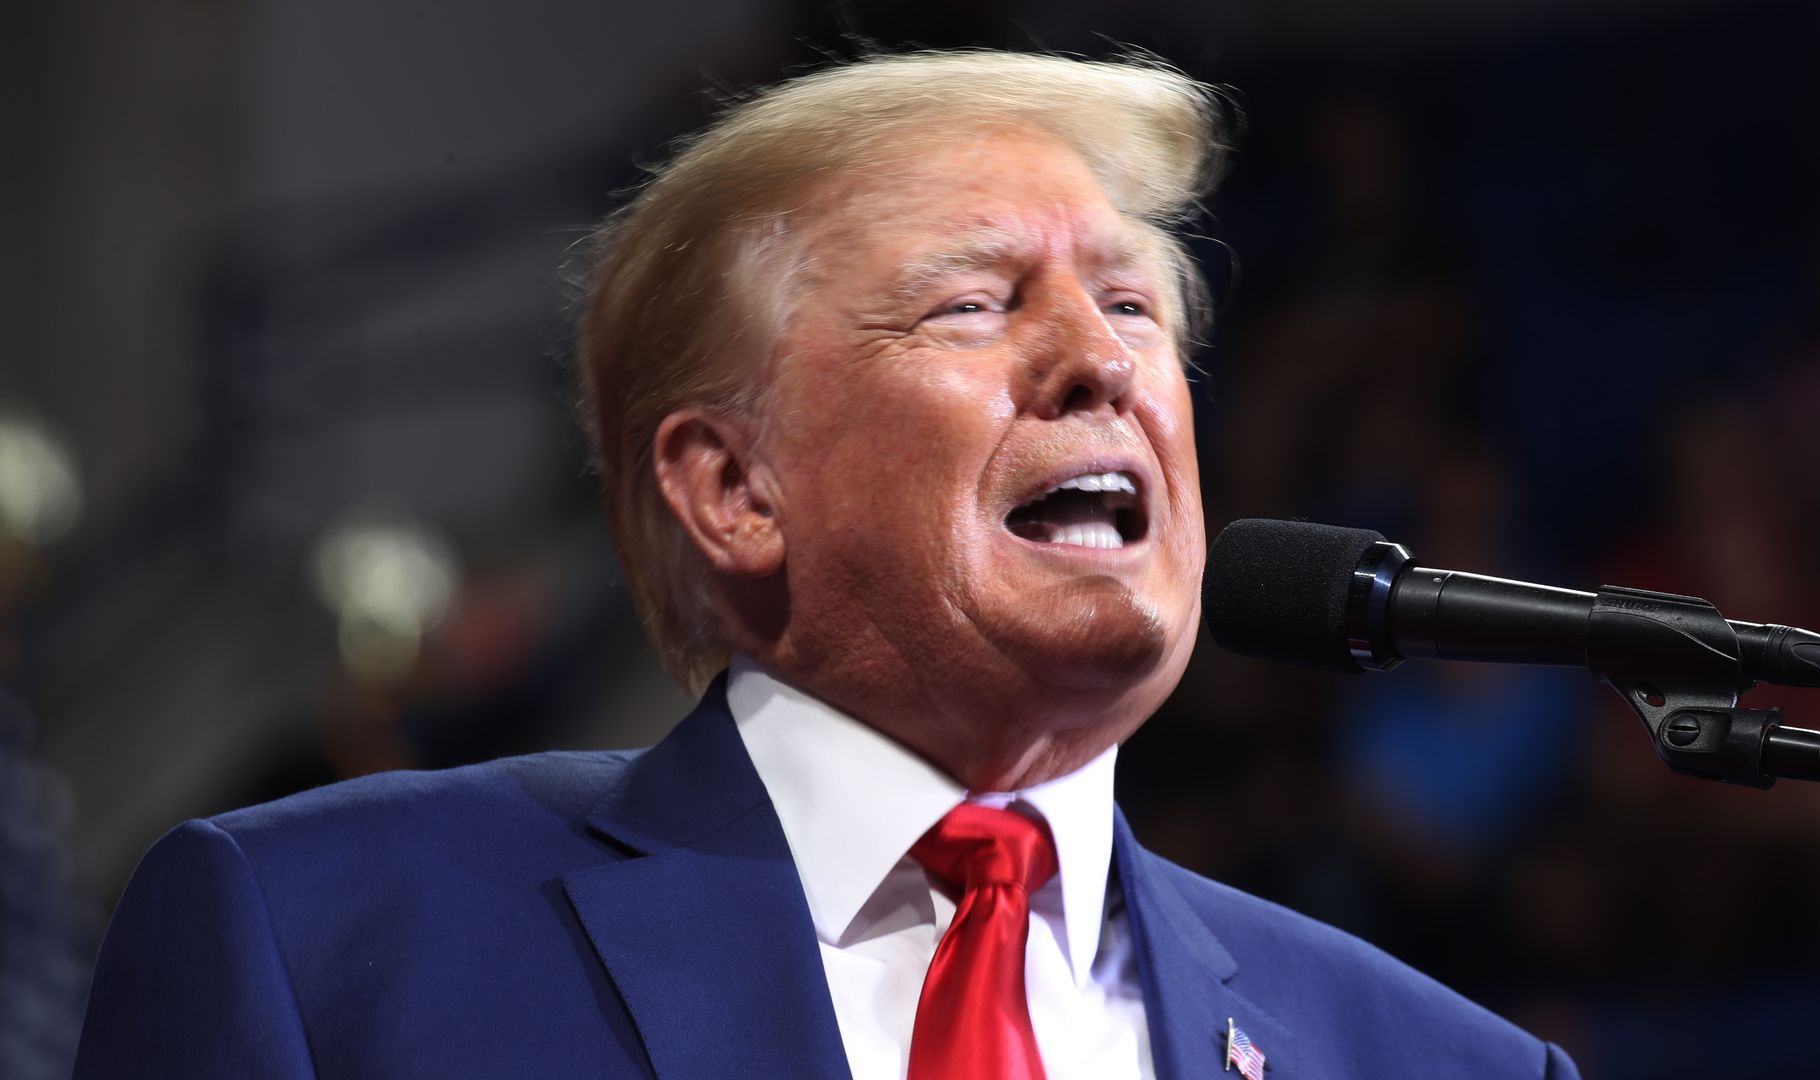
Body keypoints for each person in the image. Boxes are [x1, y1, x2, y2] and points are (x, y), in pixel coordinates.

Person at [72, 51, 1578, 1078]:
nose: (1102, 362)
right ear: (734, 490)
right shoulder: (322, 944)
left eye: (1133, 306)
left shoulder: (1436, 1061)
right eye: (974, 305)